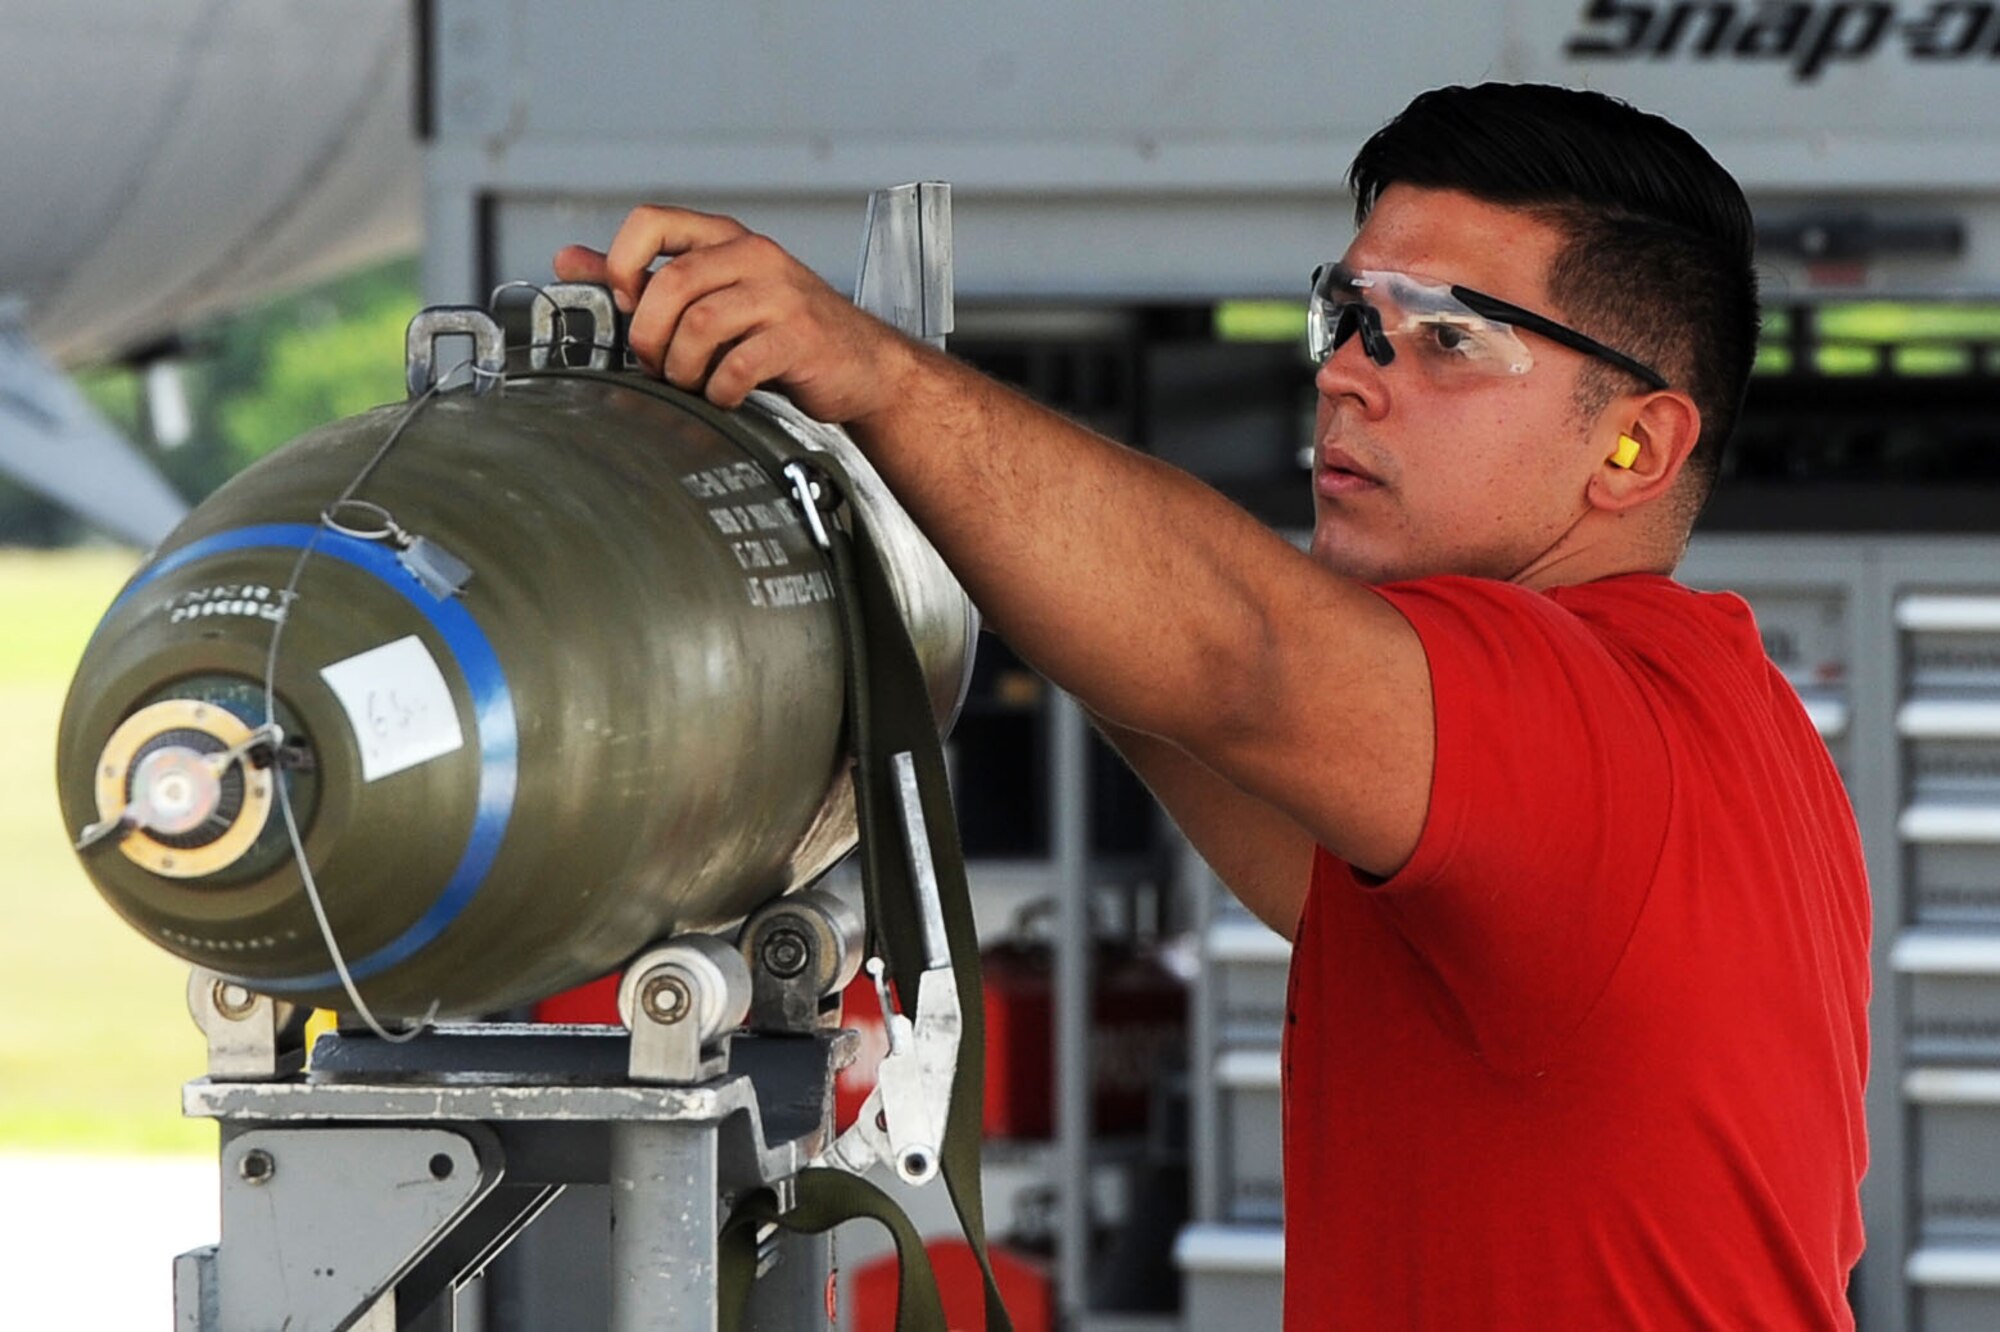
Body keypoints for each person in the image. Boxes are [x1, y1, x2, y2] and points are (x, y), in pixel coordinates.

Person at [556, 82, 1869, 1328]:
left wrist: (884, 379)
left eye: (1445, 337)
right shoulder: (1694, 735)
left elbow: (1233, 655)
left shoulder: (1586, 716)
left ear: (1633, 444)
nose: (1350, 375)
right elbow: (1183, 692)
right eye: (1350, 319)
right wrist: (910, 490)